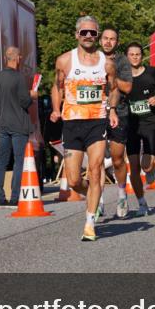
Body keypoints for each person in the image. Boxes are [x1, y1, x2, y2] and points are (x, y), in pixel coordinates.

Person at [50, 16, 119, 241]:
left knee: (96, 169)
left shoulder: (106, 63)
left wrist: (112, 110)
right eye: (84, 32)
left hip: (96, 122)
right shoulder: (64, 61)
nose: (88, 36)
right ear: (76, 34)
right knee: (73, 180)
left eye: (92, 32)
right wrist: (55, 108)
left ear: (97, 35)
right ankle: (92, 194)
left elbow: (114, 88)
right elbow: (57, 86)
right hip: (71, 123)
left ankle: (90, 222)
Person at [124, 42, 155, 218]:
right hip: (131, 123)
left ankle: (150, 169)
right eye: (131, 54)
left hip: (149, 121)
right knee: (133, 167)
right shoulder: (122, 75)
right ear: (127, 56)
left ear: (142, 56)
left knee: (146, 165)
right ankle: (142, 202)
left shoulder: (152, 72)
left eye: (138, 54)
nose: (135, 57)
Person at [0, 46, 39, 207]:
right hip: (18, 125)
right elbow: (25, 101)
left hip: (3, 124)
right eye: (20, 57)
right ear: (17, 58)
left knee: (2, 161)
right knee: (19, 161)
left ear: (6, 58)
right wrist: (32, 95)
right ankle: (15, 197)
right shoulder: (18, 78)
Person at [100, 28, 134, 219]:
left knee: (117, 158)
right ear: (99, 40)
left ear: (117, 42)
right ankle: (98, 200)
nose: (108, 42)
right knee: (95, 161)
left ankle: (122, 194)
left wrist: (110, 74)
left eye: (112, 39)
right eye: (105, 38)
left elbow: (128, 87)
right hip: (95, 113)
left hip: (119, 112)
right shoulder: (91, 58)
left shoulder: (122, 61)